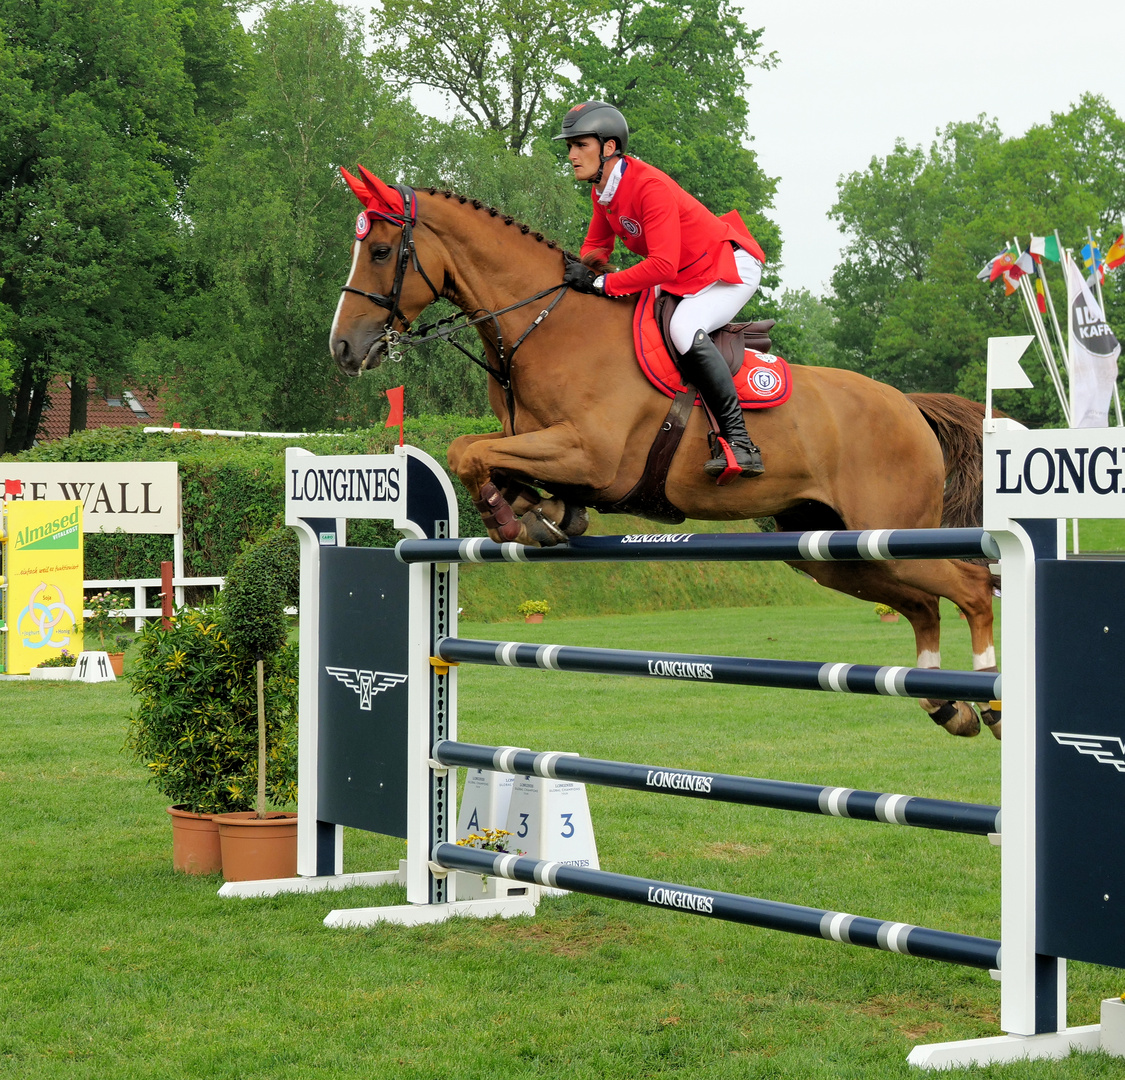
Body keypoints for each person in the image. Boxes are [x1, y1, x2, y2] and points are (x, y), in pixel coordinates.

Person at [555, 100, 767, 480]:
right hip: (683, 273)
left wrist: (604, 282)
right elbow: (595, 248)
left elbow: (662, 265)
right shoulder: (603, 191)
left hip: (727, 267)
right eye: (569, 146)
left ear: (608, 148)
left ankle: (741, 442)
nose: (571, 155)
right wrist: (583, 269)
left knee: (683, 328)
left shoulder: (648, 186)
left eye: (580, 145)